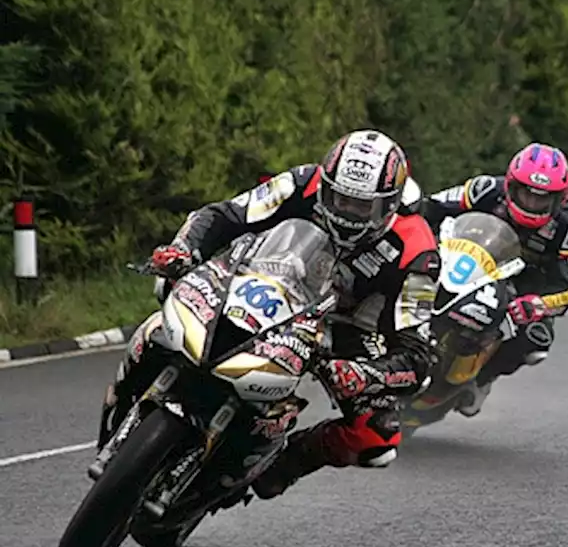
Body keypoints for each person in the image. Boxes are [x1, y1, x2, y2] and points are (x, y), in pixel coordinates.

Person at [99, 130, 442, 500]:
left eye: (360, 207)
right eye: (337, 198)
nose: (345, 212)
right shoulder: (302, 182)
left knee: (377, 437)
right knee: (164, 309)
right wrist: (183, 250)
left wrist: (363, 374)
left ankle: (285, 462)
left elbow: (417, 352)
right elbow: (224, 215)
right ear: (325, 182)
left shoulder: (418, 253)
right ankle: (127, 402)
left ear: (388, 205)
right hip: (273, 283)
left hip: (351, 327)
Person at [421, 142, 568, 418]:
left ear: (559, 199)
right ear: (511, 185)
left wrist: (535, 305)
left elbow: (566, 291)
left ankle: (481, 380)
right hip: (466, 261)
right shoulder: (484, 190)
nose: (532, 204)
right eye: (526, 194)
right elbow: (431, 207)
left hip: (522, 287)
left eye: (542, 199)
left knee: (536, 340)